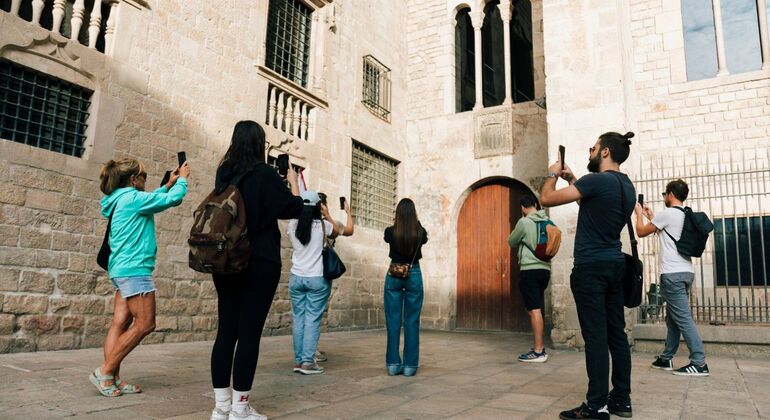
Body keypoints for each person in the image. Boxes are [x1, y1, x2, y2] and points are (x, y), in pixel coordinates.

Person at [209, 121, 303, 420]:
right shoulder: (263, 173)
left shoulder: (224, 174)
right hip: (259, 260)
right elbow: (288, 208)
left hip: (225, 260)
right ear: (260, 144)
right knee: (249, 334)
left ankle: (221, 407)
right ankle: (240, 408)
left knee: (226, 331)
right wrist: (289, 185)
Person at [540, 132, 636, 420]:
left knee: (595, 338)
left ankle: (596, 405)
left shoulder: (595, 181)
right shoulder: (626, 186)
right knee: (616, 335)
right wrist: (573, 180)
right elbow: (593, 207)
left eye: (593, 147)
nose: (589, 149)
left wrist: (552, 173)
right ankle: (621, 399)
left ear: (605, 152)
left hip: (591, 269)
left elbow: (546, 197)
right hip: (614, 266)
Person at [91, 158, 189, 397]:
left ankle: (111, 378)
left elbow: (153, 199)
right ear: (133, 180)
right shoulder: (133, 199)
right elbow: (171, 200)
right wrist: (183, 181)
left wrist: (167, 184)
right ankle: (104, 372)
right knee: (145, 324)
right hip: (135, 270)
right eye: (143, 176)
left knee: (120, 323)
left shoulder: (119, 200)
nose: (145, 180)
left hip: (120, 270)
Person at [635, 179, 709, 377]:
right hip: (685, 272)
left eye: (664, 194)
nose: (664, 197)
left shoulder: (668, 214)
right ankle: (666, 358)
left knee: (682, 318)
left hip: (672, 275)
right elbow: (665, 232)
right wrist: (650, 215)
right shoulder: (683, 215)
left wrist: (637, 215)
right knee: (673, 318)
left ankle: (699, 362)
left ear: (671, 194)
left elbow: (641, 232)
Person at [286, 190, 353, 375]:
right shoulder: (324, 226)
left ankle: (299, 360)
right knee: (312, 320)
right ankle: (308, 362)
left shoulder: (292, 224)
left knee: (298, 318)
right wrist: (328, 213)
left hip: (296, 278)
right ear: (318, 206)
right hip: (317, 279)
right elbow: (341, 232)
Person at [306, 192, 354, 364]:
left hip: (302, 273)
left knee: (304, 315)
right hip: (321, 275)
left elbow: (348, 231)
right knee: (315, 315)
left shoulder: (301, 222)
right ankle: (310, 352)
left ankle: (304, 353)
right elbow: (346, 231)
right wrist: (344, 213)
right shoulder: (327, 224)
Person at [383, 198, 428, 377]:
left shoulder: (390, 231)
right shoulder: (420, 231)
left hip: (394, 273)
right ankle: (410, 367)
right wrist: (416, 222)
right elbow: (424, 237)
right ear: (414, 214)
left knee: (393, 321)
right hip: (413, 273)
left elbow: (387, 238)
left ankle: (393, 365)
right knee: (412, 321)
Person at [507, 194, 551, 362]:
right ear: (536, 204)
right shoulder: (548, 222)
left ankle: (539, 351)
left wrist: (521, 220)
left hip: (530, 270)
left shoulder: (524, 222)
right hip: (544, 270)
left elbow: (512, 242)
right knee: (534, 308)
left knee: (534, 309)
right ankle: (539, 347)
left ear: (523, 208)